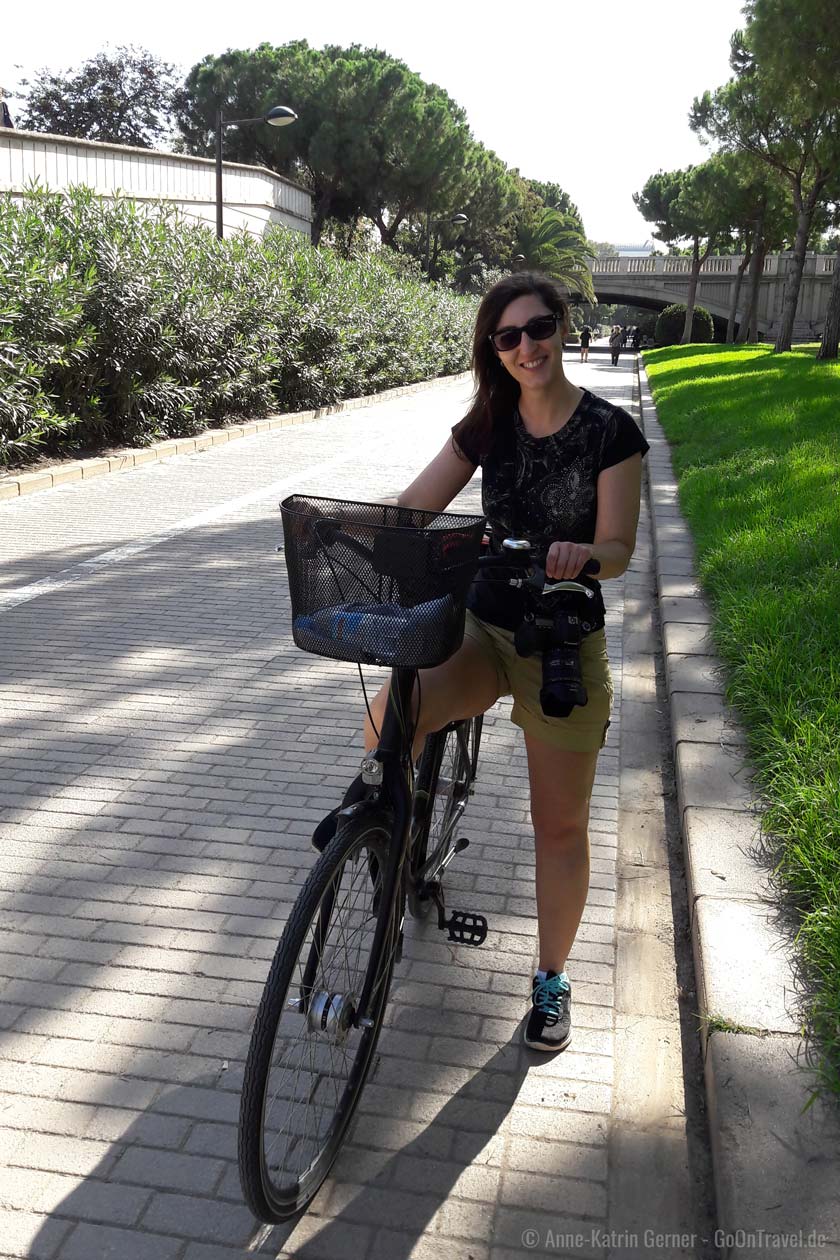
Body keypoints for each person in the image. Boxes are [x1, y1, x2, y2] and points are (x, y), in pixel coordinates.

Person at [315, 272, 648, 1053]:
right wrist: (349, 526)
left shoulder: (610, 432)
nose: (525, 347)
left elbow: (621, 549)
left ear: (561, 328)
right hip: (481, 625)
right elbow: (415, 507)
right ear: (492, 350)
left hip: (559, 634)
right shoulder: (488, 423)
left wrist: (583, 556)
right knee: (387, 723)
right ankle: (391, 844)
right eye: (507, 337)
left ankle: (552, 979)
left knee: (558, 827)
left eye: (537, 329)